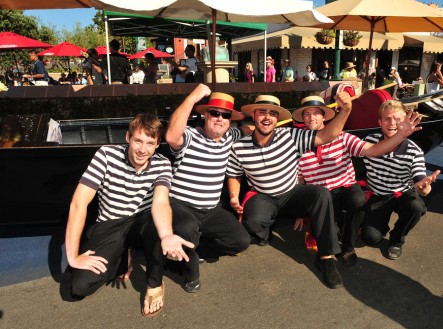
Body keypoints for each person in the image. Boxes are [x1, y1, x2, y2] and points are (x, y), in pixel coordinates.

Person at [65, 113, 194, 317]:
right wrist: (72, 257)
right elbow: (78, 204)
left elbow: (160, 202)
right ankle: (124, 255)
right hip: (110, 225)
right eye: (138, 141)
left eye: (150, 143)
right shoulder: (106, 155)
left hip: (140, 222)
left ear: (157, 144)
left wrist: (167, 235)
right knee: (79, 287)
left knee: (154, 223)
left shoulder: (162, 164)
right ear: (128, 138)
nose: (143, 150)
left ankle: (154, 283)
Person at [226, 92, 353, 289]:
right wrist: (234, 195)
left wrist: (345, 111)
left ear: (277, 118)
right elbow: (234, 174)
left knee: (320, 194)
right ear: (254, 116)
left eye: (272, 113)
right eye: (262, 112)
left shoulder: (291, 135)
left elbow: (327, 135)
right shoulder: (238, 146)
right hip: (263, 195)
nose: (267, 117)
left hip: (291, 193)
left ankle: (326, 257)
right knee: (253, 222)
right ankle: (264, 230)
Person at [293, 94, 422, 266]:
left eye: (316, 113)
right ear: (302, 118)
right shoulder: (295, 143)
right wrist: (300, 211)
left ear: (324, 116)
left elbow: (374, 150)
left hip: (345, 188)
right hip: (321, 195)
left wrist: (401, 135)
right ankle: (335, 232)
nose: (311, 117)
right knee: (333, 228)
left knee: (358, 198)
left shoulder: (343, 137)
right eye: (307, 114)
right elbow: (298, 179)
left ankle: (348, 247)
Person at [164, 85, 252, 293]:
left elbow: (252, 129)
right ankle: (190, 274)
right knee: (186, 228)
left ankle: (192, 250)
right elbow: (171, 137)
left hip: (211, 209)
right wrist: (193, 97)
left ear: (230, 120)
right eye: (214, 113)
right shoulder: (191, 136)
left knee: (241, 241)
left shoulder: (231, 136)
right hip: (180, 204)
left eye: (225, 115)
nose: (219, 118)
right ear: (205, 115)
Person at [361, 100, 441, 260]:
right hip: (377, 194)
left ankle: (397, 239)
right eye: (387, 119)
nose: (392, 123)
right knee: (371, 238)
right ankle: (379, 225)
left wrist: (424, 188)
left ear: (405, 122)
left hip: (402, 194)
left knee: (416, 207)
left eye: (398, 119)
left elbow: (420, 180)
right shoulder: (369, 141)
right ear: (379, 122)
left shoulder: (414, 151)